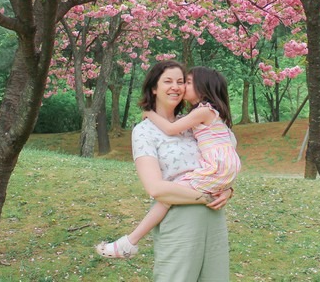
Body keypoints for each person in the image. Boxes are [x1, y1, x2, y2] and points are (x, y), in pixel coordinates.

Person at [94, 60, 234, 281]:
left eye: (181, 81)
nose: (176, 86)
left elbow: (219, 161)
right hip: (180, 223)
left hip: (214, 221)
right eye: (168, 81)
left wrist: (227, 189)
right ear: (154, 88)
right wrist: (206, 197)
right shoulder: (144, 131)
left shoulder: (193, 125)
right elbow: (156, 189)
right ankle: (128, 242)